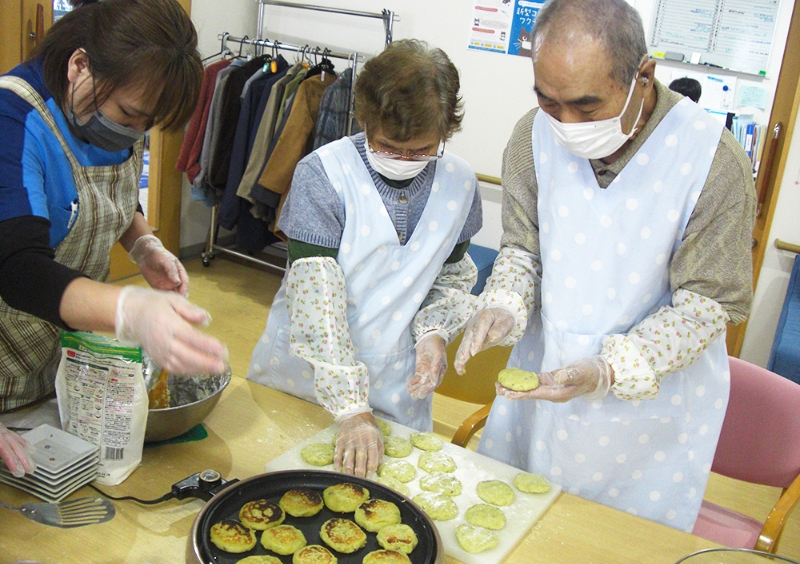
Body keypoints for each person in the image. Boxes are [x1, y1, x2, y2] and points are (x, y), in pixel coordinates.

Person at [454, 0, 755, 532]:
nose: (566, 123)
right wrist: (503, 302)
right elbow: (524, 249)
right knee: (517, 527)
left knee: (610, 539)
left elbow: (706, 307)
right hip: (543, 378)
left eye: (587, 107)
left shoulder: (711, 160)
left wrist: (607, 370)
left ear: (643, 76)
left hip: (647, 406)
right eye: (548, 101)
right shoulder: (531, 136)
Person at [0, 0, 228, 477]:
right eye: (130, 115)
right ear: (79, 65)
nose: (134, 132)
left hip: (53, 357)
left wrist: (143, 244)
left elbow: (101, 195)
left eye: (147, 124)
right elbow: (18, 269)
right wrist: (128, 310)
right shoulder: (12, 122)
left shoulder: (116, 111)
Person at [247, 39, 483, 478]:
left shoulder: (461, 185)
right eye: (390, 146)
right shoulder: (325, 174)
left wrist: (433, 333)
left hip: (396, 378)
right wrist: (352, 409)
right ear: (365, 118)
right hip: (307, 375)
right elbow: (315, 300)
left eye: (422, 151)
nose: (405, 160)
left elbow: (450, 279)